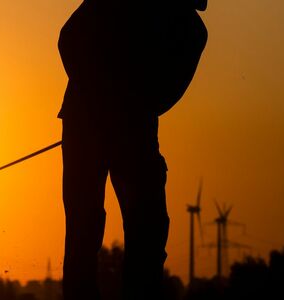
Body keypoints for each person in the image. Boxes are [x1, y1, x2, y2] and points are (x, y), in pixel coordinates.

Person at [57, 0, 207, 299]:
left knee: (147, 225)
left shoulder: (191, 30)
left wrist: (134, 107)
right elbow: (68, 40)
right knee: (84, 224)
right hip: (86, 124)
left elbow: (166, 92)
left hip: (131, 128)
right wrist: (97, 95)